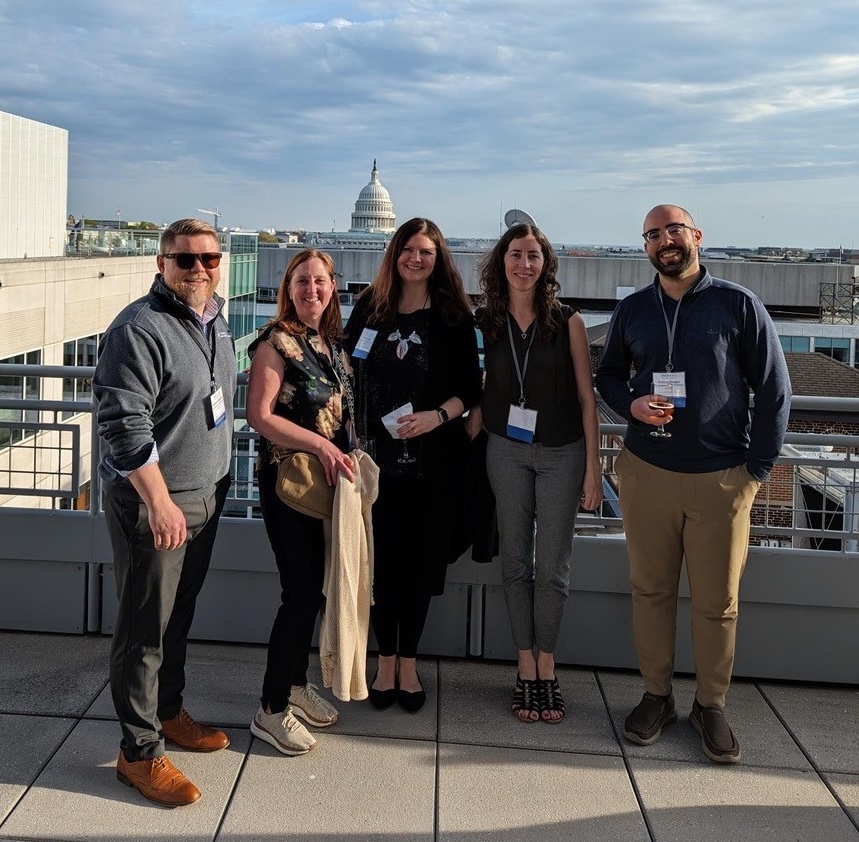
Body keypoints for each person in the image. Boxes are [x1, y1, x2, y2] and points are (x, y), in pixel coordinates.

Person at [595, 204, 791, 764]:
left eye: (673, 230)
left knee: (717, 604)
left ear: (696, 236)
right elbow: (607, 374)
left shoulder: (738, 305)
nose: (664, 241)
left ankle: (711, 705)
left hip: (721, 479)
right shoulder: (633, 309)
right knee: (650, 593)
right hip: (647, 474)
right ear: (646, 247)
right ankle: (657, 696)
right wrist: (630, 403)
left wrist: (754, 474)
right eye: (652, 235)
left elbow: (775, 391)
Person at [93, 218, 235, 806]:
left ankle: (169, 712)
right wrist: (159, 502)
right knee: (143, 629)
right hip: (159, 506)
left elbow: (217, 397)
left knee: (177, 616)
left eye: (207, 258)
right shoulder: (138, 329)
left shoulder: (215, 320)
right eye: (185, 260)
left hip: (208, 494)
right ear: (162, 264)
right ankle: (139, 753)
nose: (198, 269)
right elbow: (122, 426)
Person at [344, 217, 482, 712]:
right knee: (381, 563)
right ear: (394, 253)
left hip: (433, 462)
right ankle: (384, 660)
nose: (416, 259)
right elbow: (347, 372)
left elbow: (471, 386)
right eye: (408, 249)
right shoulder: (369, 308)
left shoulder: (452, 315)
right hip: (375, 463)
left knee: (419, 563)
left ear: (438, 257)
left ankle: (409, 662)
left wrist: (437, 416)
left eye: (426, 251)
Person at [473, 223, 602, 725]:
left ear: (544, 264)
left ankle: (547, 665)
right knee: (514, 563)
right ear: (500, 263)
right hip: (504, 449)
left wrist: (594, 468)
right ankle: (524, 663)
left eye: (532, 256)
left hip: (562, 453)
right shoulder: (487, 319)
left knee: (552, 567)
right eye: (514, 255)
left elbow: (589, 398)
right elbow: (476, 381)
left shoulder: (567, 320)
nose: (523, 264)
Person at [246, 248, 354, 756]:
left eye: (320, 281)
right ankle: (269, 710)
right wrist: (322, 445)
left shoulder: (329, 343)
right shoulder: (276, 343)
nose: (312, 289)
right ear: (288, 288)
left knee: (314, 590)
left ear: (333, 287)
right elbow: (260, 416)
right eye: (301, 281)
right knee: (302, 595)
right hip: (289, 484)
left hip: (326, 487)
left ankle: (294, 684)